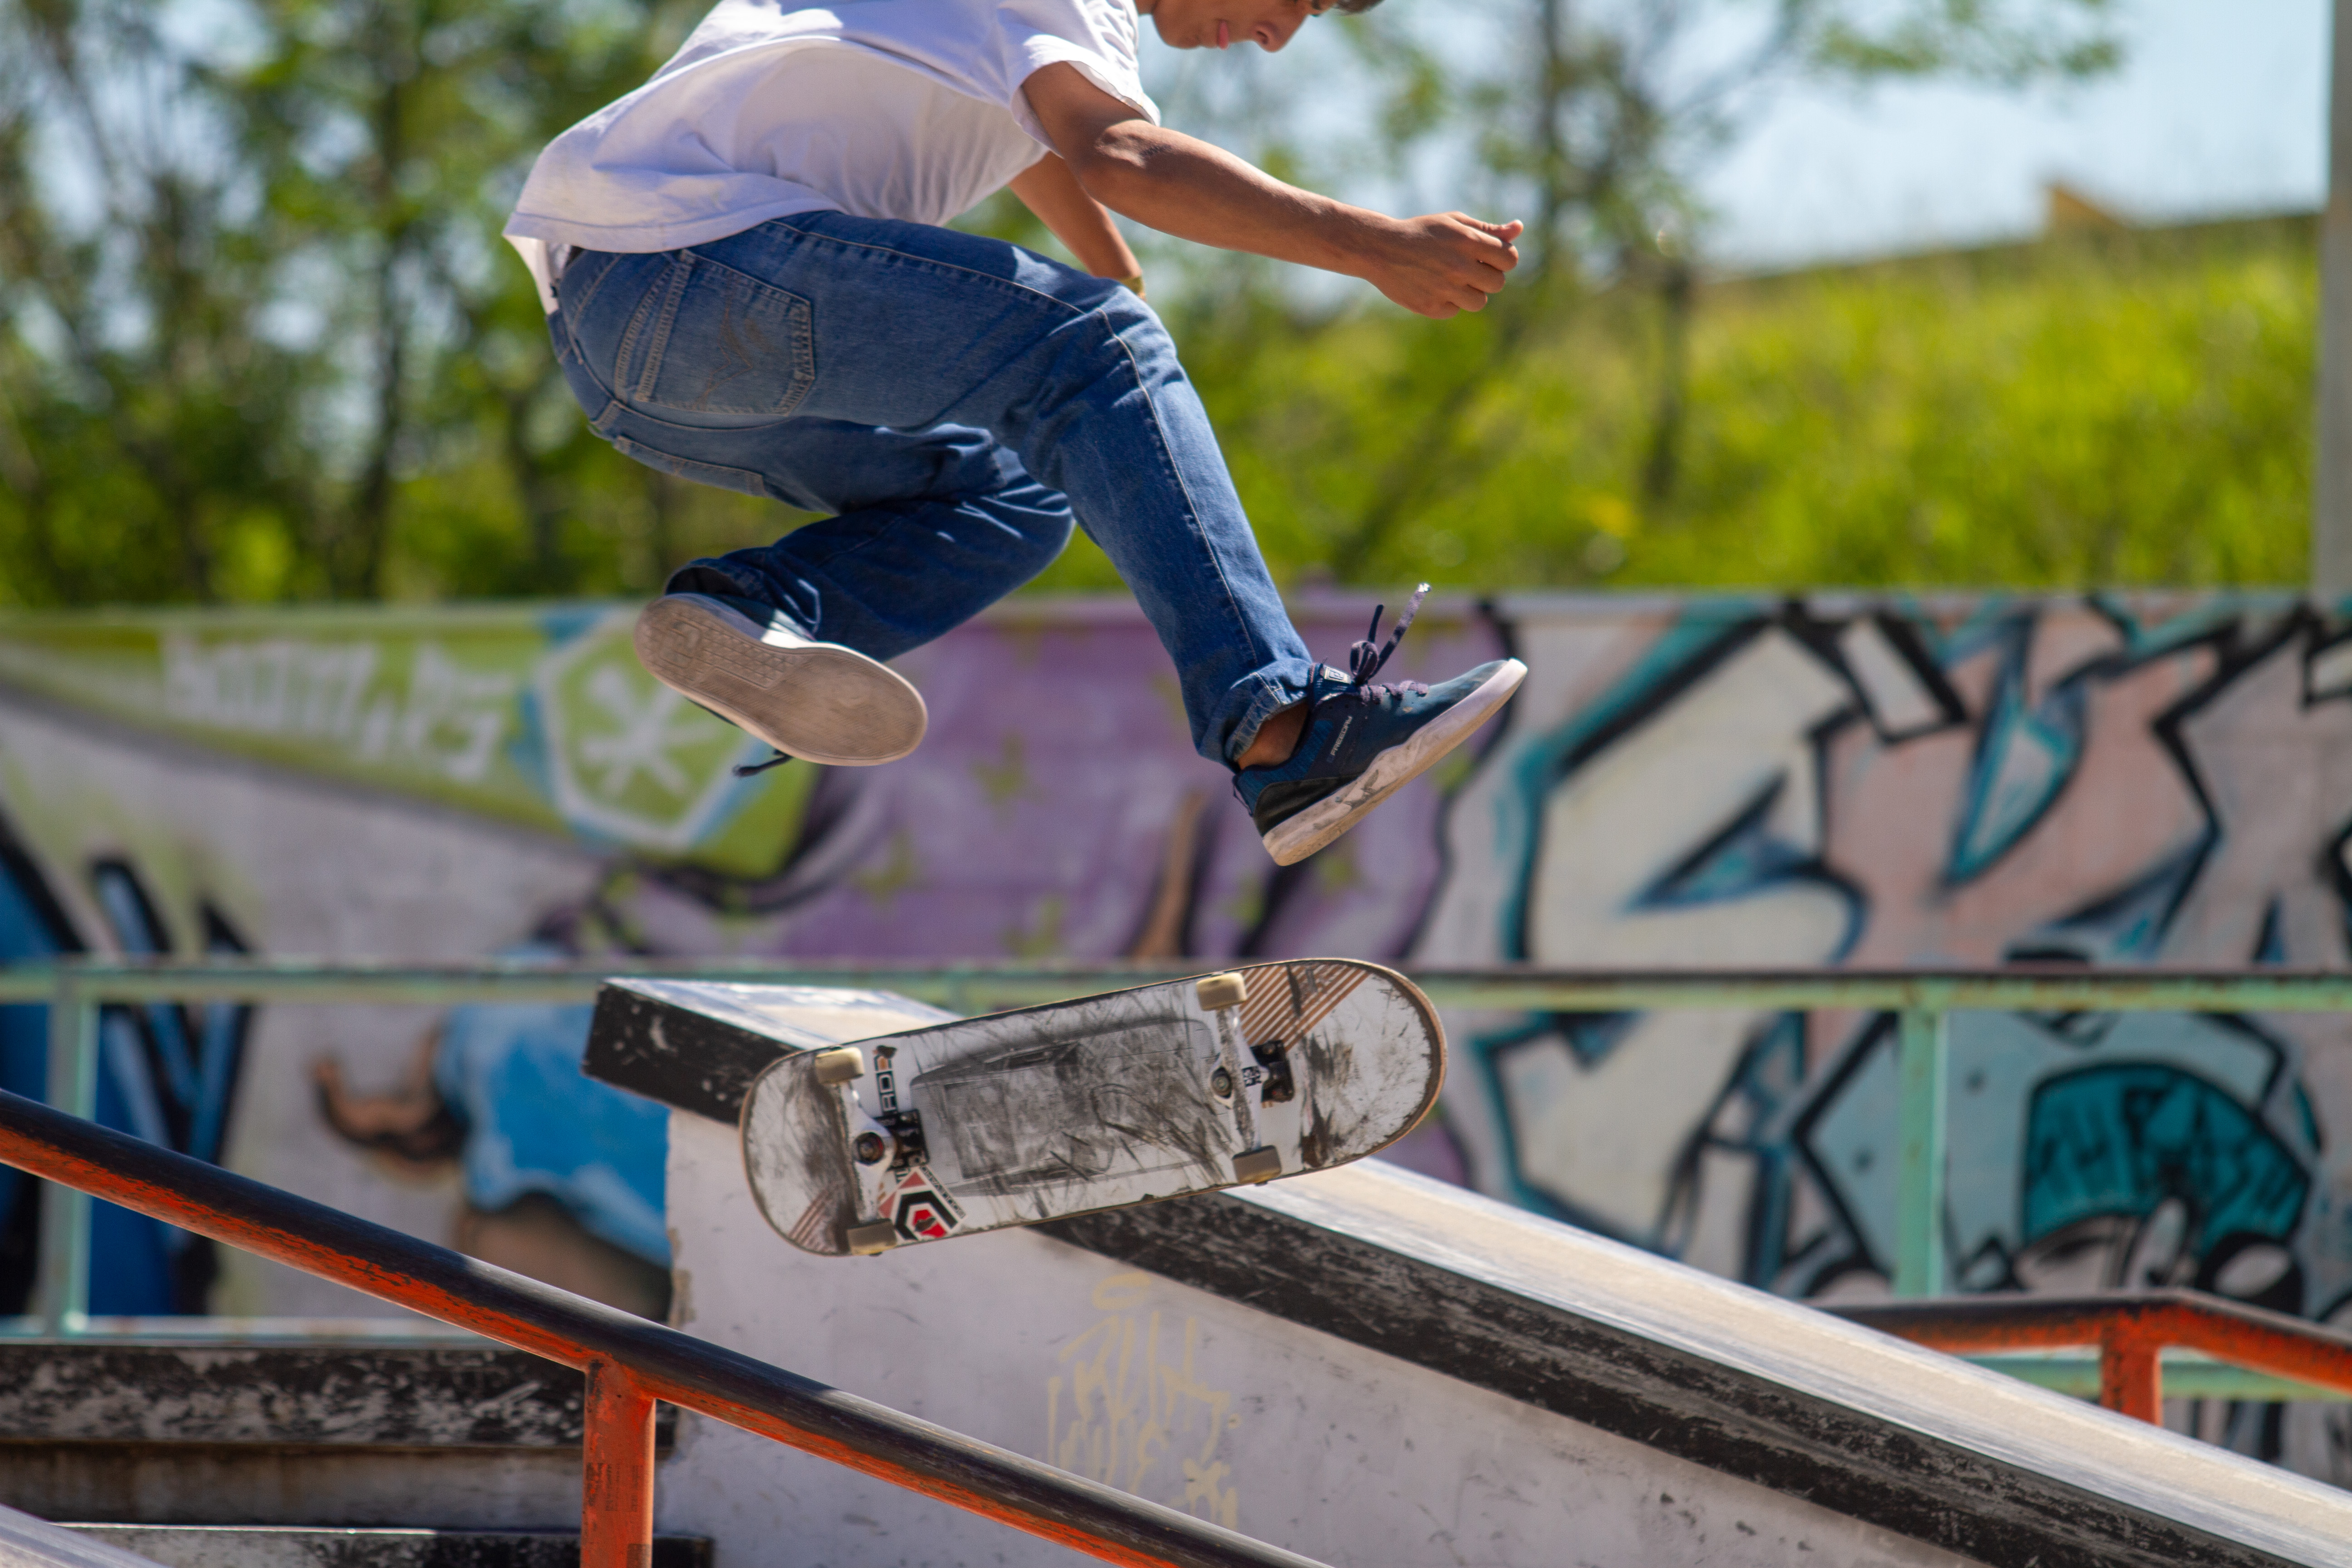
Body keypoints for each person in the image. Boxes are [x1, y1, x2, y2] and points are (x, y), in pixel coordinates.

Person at [505, 0, 1527, 866]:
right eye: (1294, 1)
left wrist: (1112, 267)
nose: (1273, 40)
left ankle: (757, 614)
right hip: (695, 267)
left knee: (1020, 496)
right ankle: (1285, 726)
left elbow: (1039, 143)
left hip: (626, 357)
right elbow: (1115, 151)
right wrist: (1374, 245)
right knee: (1099, 347)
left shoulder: (1023, 30)